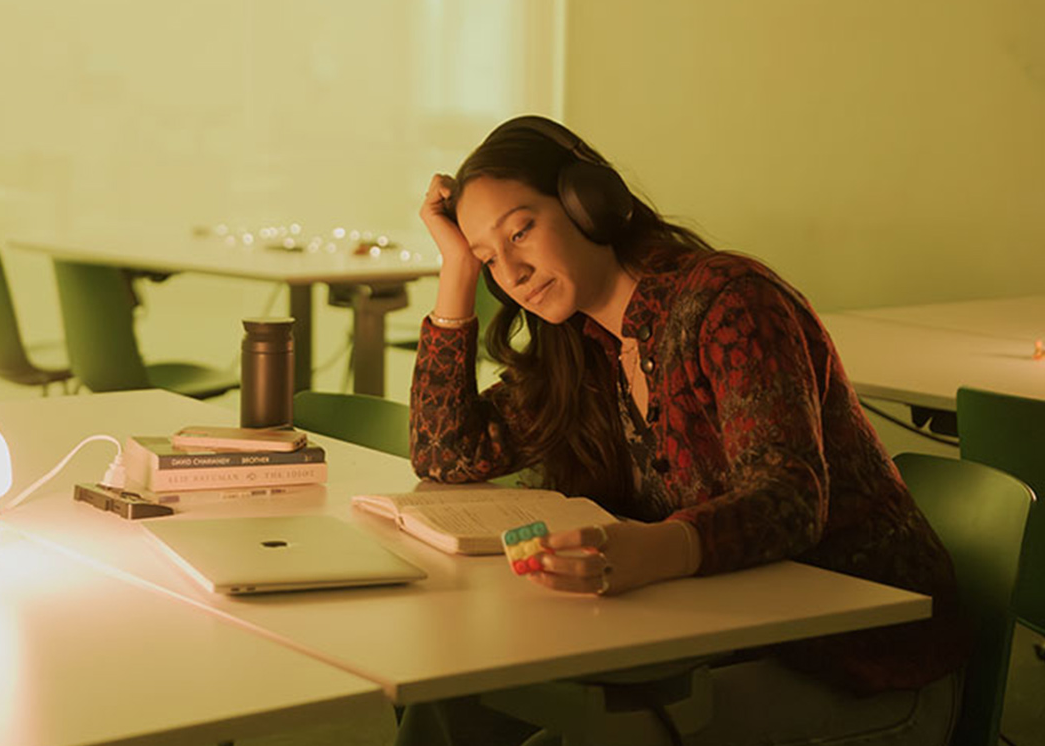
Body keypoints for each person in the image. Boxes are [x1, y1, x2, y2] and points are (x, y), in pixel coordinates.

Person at [398, 116, 969, 746]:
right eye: (488, 258)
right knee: (451, 707)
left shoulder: (729, 302)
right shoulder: (583, 348)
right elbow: (445, 451)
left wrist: (655, 547)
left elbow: (790, 498)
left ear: (590, 201)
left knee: (590, 739)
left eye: (521, 230)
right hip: (721, 639)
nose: (512, 271)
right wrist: (455, 272)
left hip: (863, 665)